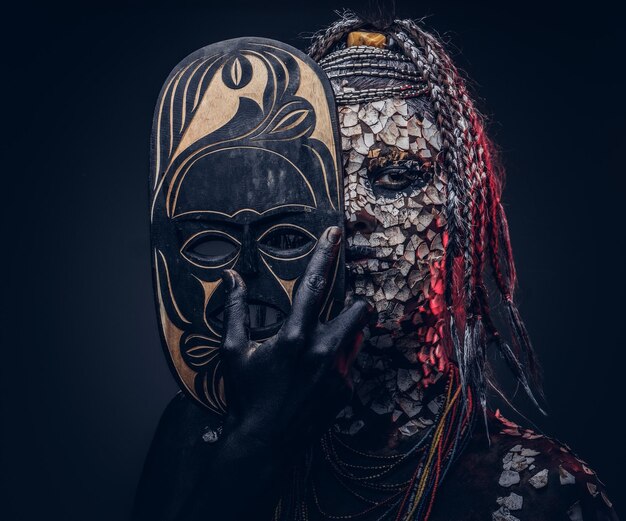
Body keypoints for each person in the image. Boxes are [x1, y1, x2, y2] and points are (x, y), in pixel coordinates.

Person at [133, 12, 619, 521]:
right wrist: (252, 448)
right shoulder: (198, 438)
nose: (351, 213)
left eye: (397, 175)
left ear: (463, 211)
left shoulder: (544, 494)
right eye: (323, 187)